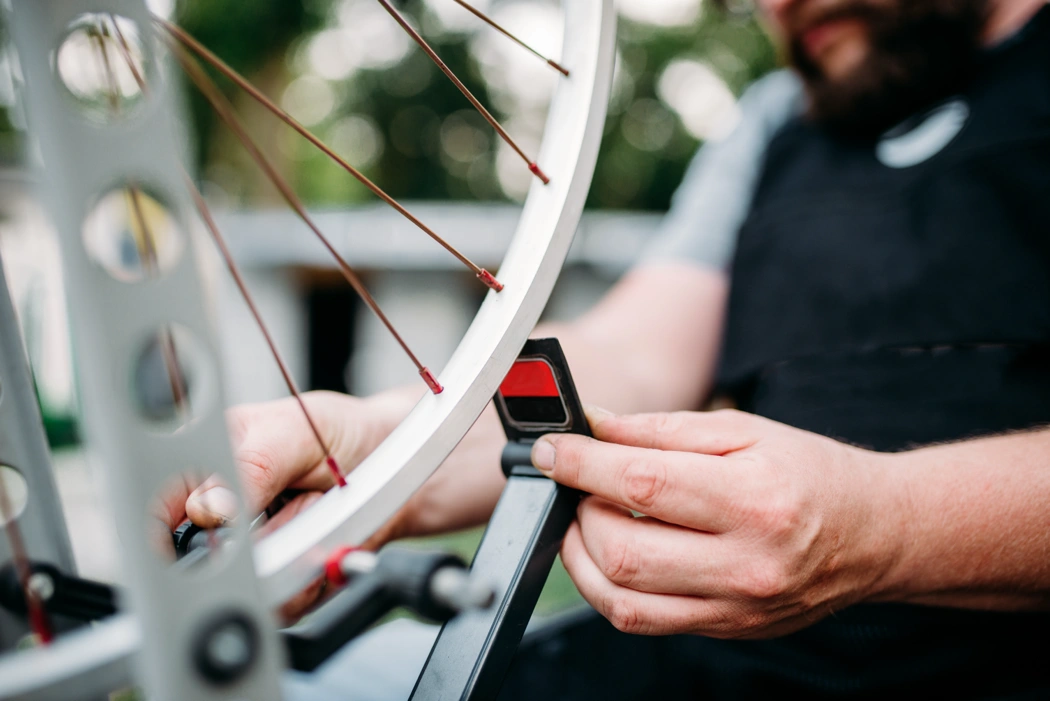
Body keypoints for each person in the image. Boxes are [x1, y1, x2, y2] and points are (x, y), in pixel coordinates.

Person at [175, 0, 1050, 697]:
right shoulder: (777, 120)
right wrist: (374, 451)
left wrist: (888, 526)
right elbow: (629, 361)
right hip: (705, 666)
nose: (774, 4)